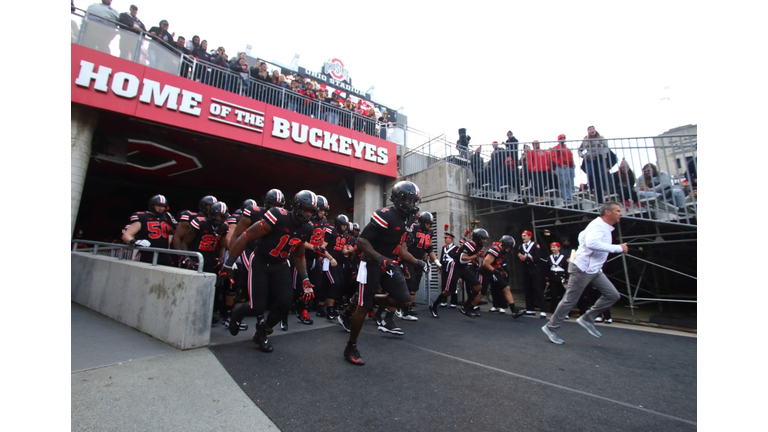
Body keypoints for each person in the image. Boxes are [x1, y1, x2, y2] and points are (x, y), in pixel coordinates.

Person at [339, 181, 428, 365]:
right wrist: (380, 258)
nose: (411, 203)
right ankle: (351, 346)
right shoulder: (385, 215)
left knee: (405, 300)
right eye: (408, 199)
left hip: (391, 262)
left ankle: (368, 298)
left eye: (414, 200)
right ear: (397, 198)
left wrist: (416, 262)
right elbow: (362, 241)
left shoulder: (410, 219)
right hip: (372, 262)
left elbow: (401, 248)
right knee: (363, 307)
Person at [223, 191, 318, 353]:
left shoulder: (308, 228)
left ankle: (262, 332)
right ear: (296, 206)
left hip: (280, 264)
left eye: (311, 211)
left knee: (284, 303)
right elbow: (245, 237)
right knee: (257, 307)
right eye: (305, 209)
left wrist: (305, 278)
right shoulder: (277, 215)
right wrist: (228, 265)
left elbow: (299, 254)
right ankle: (238, 311)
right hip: (260, 261)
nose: (308, 214)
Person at [542, 202, 628, 344]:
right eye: (618, 211)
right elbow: (591, 243)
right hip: (582, 268)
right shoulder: (598, 226)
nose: (621, 213)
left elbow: (582, 236)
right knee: (570, 300)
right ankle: (551, 327)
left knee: (612, 295)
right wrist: (618, 248)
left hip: (594, 269)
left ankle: (587, 318)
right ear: (608, 212)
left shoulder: (602, 226)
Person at [429, 228, 486, 318]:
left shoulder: (477, 245)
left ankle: (466, 307)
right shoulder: (470, 244)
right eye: (483, 238)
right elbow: (463, 258)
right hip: (455, 266)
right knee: (449, 291)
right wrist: (476, 256)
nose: (485, 241)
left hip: (464, 267)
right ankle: (434, 305)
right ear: (478, 238)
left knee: (478, 287)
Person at [398, 211, 440, 321]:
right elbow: (404, 243)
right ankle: (403, 308)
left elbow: (429, 248)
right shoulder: (413, 228)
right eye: (427, 223)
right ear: (422, 222)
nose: (429, 226)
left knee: (415, 286)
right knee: (409, 283)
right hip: (409, 259)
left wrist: (436, 262)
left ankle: (407, 307)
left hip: (420, 261)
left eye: (431, 223)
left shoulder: (430, 232)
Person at [121, 194, 177, 266]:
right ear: (152, 205)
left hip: (163, 254)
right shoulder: (142, 217)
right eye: (158, 205)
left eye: (163, 206)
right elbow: (126, 235)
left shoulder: (167, 216)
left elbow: (177, 231)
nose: (161, 208)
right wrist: (135, 241)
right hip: (146, 253)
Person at [479, 235, 526, 318]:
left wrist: (502, 270)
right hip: (487, 271)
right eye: (508, 247)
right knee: (482, 292)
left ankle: (513, 310)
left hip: (495, 270)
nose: (509, 249)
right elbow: (485, 264)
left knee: (506, 288)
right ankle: (470, 306)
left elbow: (497, 263)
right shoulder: (495, 250)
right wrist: (497, 271)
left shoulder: (503, 251)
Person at [517, 230, 547, 318]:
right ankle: (530, 309)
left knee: (538, 289)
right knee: (527, 289)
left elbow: (537, 258)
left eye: (525, 235)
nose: (523, 237)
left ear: (530, 236)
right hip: (526, 269)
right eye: (523, 235)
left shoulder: (535, 245)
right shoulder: (521, 246)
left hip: (534, 269)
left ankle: (543, 310)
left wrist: (525, 258)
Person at [578, 126, 611, 203]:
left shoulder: (601, 138)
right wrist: (582, 156)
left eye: (593, 129)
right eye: (590, 129)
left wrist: (603, 153)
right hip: (590, 159)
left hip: (600, 158)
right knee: (590, 174)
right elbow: (580, 150)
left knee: (602, 174)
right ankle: (592, 188)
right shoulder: (586, 139)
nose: (592, 130)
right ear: (588, 131)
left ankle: (605, 189)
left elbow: (606, 148)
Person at [544, 242, 568, 316]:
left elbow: (567, 268)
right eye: (552, 247)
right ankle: (555, 311)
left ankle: (565, 312)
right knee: (553, 295)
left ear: (559, 248)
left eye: (554, 247)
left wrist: (567, 278)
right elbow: (547, 268)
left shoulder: (564, 257)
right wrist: (547, 279)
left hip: (561, 277)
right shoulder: (549, 257)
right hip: (552, 277)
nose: (553, 249)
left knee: (563, 295)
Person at [550, 134, 575, 202]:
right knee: (564, 183)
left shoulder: (567, 149)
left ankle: (571, 197)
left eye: (564, 138)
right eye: (561, 138)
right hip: (562, 168)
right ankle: (566, 198)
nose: (563, 139)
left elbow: (570, 157)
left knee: (570, 183)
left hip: (569, 167)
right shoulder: (556, 148)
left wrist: (572, 164)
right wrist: (560, 164)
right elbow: (554, 157)